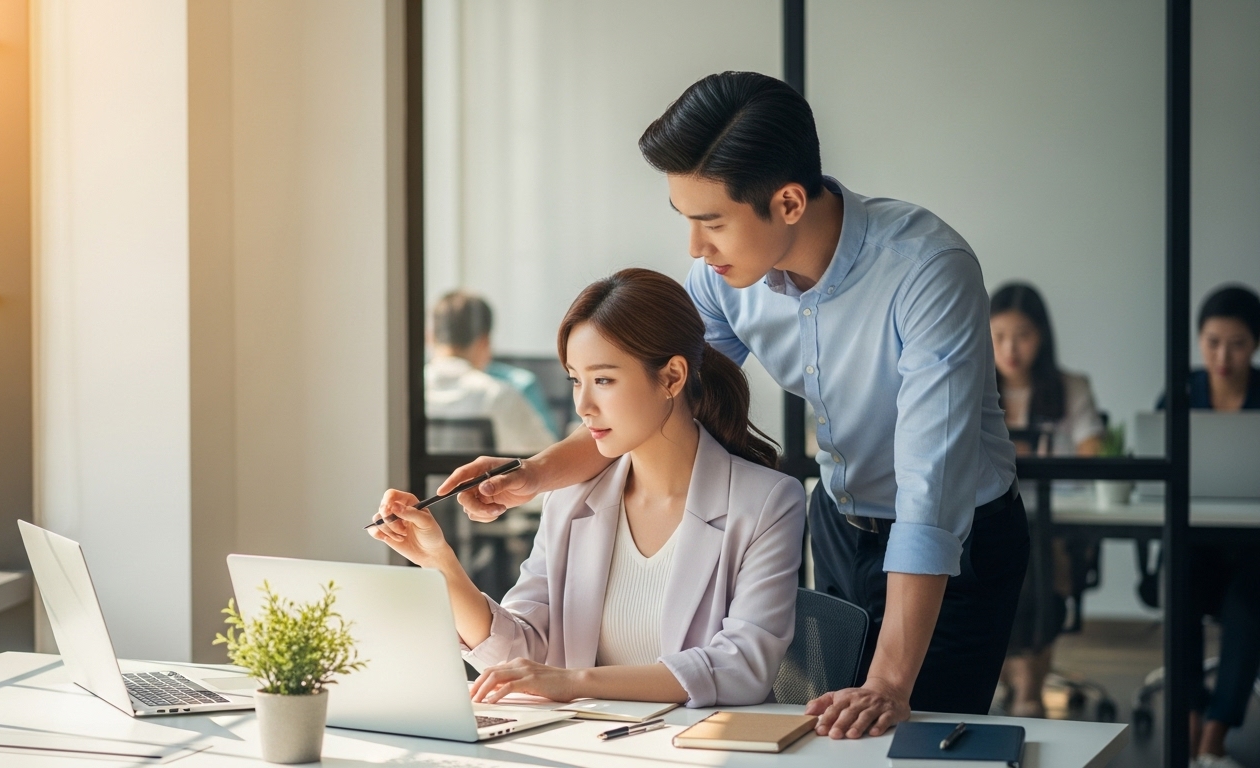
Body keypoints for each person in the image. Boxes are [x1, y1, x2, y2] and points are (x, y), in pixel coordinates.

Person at [438, 72, 1028, 739]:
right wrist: (531, 476)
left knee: (914, 737)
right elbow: (655, 399)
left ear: (788, 202)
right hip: (842, 525)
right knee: (829, 739)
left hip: (958, 535)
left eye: (711, 222)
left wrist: (890, 682)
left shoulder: (926, 270)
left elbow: (931, 487)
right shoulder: (723, 282)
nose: (695, 248)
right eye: (686, 220)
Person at [373, 269, 804, 706]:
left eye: (603, 380)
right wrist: (440, 564)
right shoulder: (572, 499)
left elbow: (741, 667)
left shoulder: (767, 502)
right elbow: (522, 652)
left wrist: (576, 682)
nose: (583, 404)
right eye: (576, 381)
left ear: (672, 377)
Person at [989, 282, 1105, 718]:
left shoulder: (1070, 387)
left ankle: (1027, 689)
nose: (1010, 348)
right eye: (998, 336)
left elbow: (1091, 452)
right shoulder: (973, 383)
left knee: (1035, 556)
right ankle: (1021, 687)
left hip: (1057, 523)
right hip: (991, 517)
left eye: (1022, 335)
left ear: (1042, 336)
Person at [1170, 285, 1260, 768]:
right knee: (1179, 585)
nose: (1223, 355)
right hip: (1196, 545)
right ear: (1199, 340)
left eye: (1238, 343)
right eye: (1212, 341)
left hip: (1253, 550)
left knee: (1250, 601)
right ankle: (1186, 718)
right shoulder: (1180, 392)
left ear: (1257, 344)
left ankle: (1215, 735)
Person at [426, 291, 556, 455]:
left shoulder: (405, 395)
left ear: (429, 338)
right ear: (485, 342)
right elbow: (546, 457)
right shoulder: (498, 395)